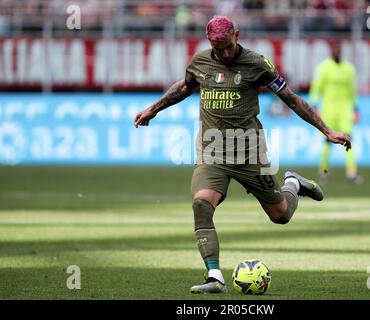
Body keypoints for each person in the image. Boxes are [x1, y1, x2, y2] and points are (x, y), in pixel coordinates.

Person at [134, 16, 351, 294]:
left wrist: (327, 130)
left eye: (227, 47)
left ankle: (293, 184)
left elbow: (292, 99)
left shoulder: (257, 64)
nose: (223, 54)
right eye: (217, 49)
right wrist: (153, 108)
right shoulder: (200, 63)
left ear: (236, 35)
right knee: (201, 204)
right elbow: (183, 88)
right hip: (212, 154)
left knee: (280, 215)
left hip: (250, 153)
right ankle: (214, 276)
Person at [309, 42, 363, 184]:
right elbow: (316, 87)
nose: (336, 53)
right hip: (329, 110)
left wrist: (356, 108)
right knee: (327, 141)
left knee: (348, 140)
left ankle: (351, 172)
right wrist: (314, 105)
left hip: (345, 110)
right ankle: (324, 172)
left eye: (339, 51)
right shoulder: (324, 68)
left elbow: (352, 90)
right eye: (335, 51)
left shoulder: (349, 69)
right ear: (331, 53)